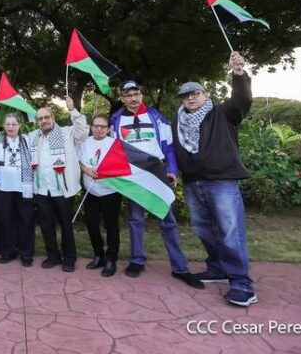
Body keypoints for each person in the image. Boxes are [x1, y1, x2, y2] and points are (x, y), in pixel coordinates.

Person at [173, 51, 257, 307]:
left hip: (221, 182)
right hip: (193, 182)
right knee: (203, 229)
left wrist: (239, 74)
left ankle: (241, 283)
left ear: (205, 95)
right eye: (186, 95)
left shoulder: (223, 113)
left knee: (230, 231)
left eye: (195, 93)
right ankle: (218, 267)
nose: (190, 97)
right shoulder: (178, 121)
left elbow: (242, 99)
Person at [109, 80, 203, 289]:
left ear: (141, 95)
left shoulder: (156, 116)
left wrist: (171, 169)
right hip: (134, 176)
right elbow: (113, 150)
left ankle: (180, 267)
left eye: (136, 94)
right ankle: (136, 260)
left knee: (167, 220)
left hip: (157, 172)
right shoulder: (115, 120)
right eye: (128, 95)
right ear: (122, 98)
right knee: (135, 220)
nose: (133, 99)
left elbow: (169, 146)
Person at [29, 102, 88, 272]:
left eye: (46, 117)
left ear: (53, 118)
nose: (44, 121)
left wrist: (72, 110)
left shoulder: (67, 132)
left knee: (65, 225)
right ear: (37, 121)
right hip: (41, 189)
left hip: (63, 189)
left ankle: (69, 258)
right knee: (46, 225)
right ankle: (53, 256)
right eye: (40, 118)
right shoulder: (33, 136)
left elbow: (83, 132)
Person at [0, 113, 35, 267]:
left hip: (23, 186)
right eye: (8, 124)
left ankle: (26, 254)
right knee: (6, 219)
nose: (11, 127)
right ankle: (8, 251)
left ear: (20, 126)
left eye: (14, 124)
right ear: (3, 126)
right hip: (3, 186)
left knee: (25, 220)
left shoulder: (27, 139)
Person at [78, 114, 121, 277]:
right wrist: (87, 170)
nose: (99, 129)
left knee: (111, 226)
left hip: (110, 191)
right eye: (96, 125)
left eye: (103, 126)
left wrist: (107, 171)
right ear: (91, 127)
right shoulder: (84, 143)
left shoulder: (114, 144)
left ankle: (111, 259)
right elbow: (79, 161)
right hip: (91, 191)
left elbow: (121, 166)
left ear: (108, 128)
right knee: (92, 224)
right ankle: (99, 255)